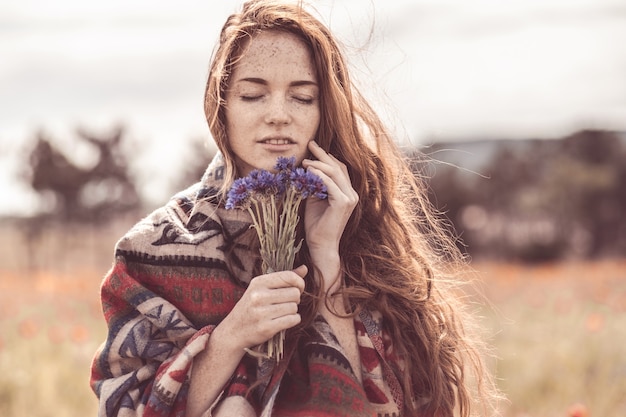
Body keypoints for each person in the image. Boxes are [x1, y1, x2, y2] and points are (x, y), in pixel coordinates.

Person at [90, 1, 500, 416]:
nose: (279, 116)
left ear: (325, 111)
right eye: (253, 95)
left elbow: (397, 404)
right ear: (222, 106)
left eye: (302, 97)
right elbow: (127, 408)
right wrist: (232, 335)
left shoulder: (367, 233)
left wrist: (327, 261)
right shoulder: (151, 251)